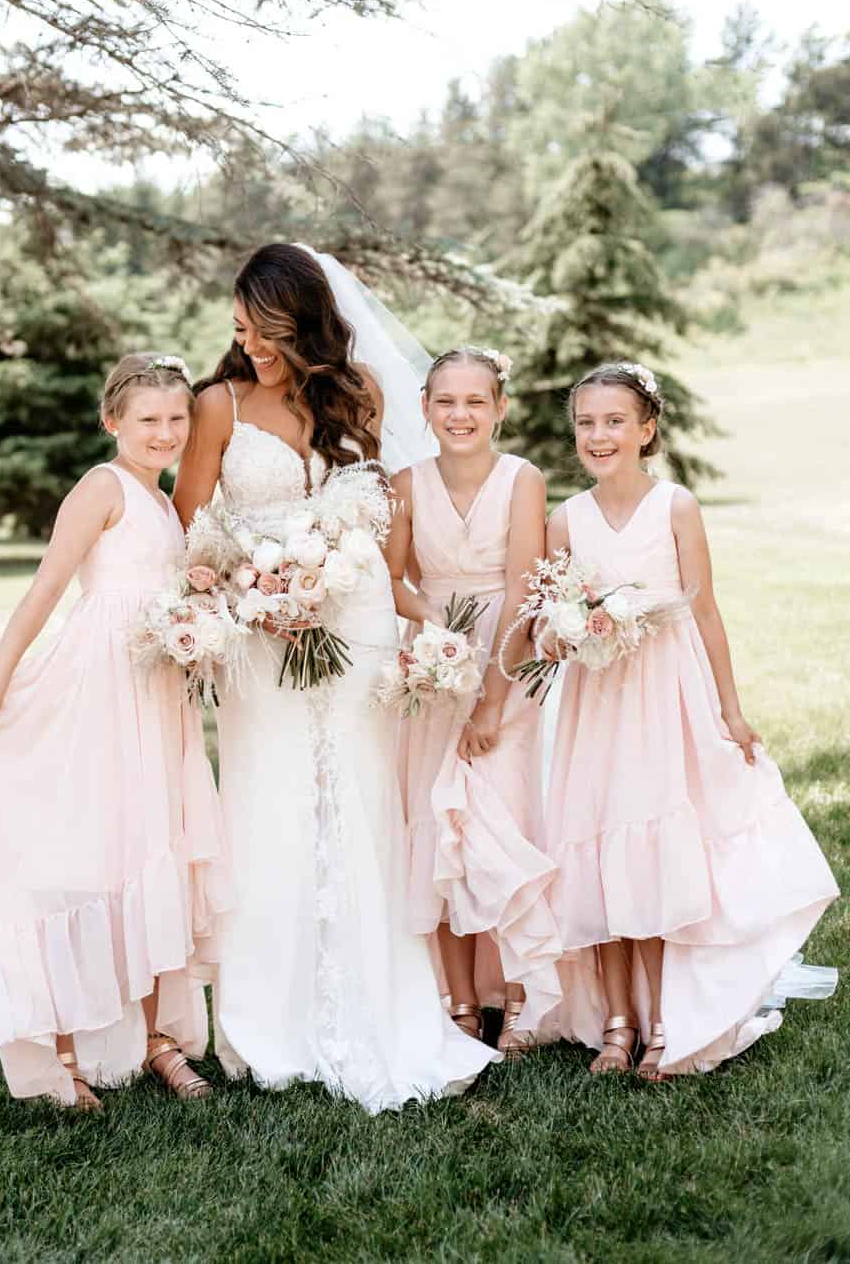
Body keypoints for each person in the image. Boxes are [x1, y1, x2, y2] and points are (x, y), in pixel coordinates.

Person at [174, 244, 498, 1112]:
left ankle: (381, 998)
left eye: (267, 331)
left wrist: (355, 586)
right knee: (268, 802)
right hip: (261, 630)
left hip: (351, 620)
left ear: (301, 321)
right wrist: (255, 586)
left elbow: (384, 512)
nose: (253, 346)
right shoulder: (218, 403)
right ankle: (269, 1019)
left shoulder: (356, 394)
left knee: (356, 798)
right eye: (241, 330)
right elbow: (190, 528)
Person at [0, 354, 229, 1108]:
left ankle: (157, 1040)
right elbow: (47, 585)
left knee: (152, 849)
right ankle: (60, 1050)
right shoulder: (102, 487)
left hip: (157, 699)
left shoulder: (165, 506)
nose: (164, 433)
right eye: (148, 419)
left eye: (175, 419)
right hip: (97, 690)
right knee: (81, 854)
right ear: (111, 422)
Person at [542, 361, 838, 1078]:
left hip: (662, 698)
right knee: (597, 845)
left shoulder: (673, 506)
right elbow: (546, 624)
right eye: (585, 423)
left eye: (614, 421)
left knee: (653, 849)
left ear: (646, 430)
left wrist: (728, 711)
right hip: (595, 701)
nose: (598, 435)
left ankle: (666, 1020)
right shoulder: (565, 519)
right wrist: (564, 631)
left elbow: (702, 610)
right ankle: (615, 1025)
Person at [387, 346, 563, 1058]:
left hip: (506, 655)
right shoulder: (404, 482)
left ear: (499, 409)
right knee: (436, 829)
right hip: (430, 664)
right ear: (425, 408)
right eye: (445, 402)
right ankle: (458, 1001)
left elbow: (524, 586)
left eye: (475, 402)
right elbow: (390, 574)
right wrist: (431, 631)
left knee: (503, 822)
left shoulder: (522, 479)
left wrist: (492, 697)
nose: (460, 415)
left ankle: (518, 996)